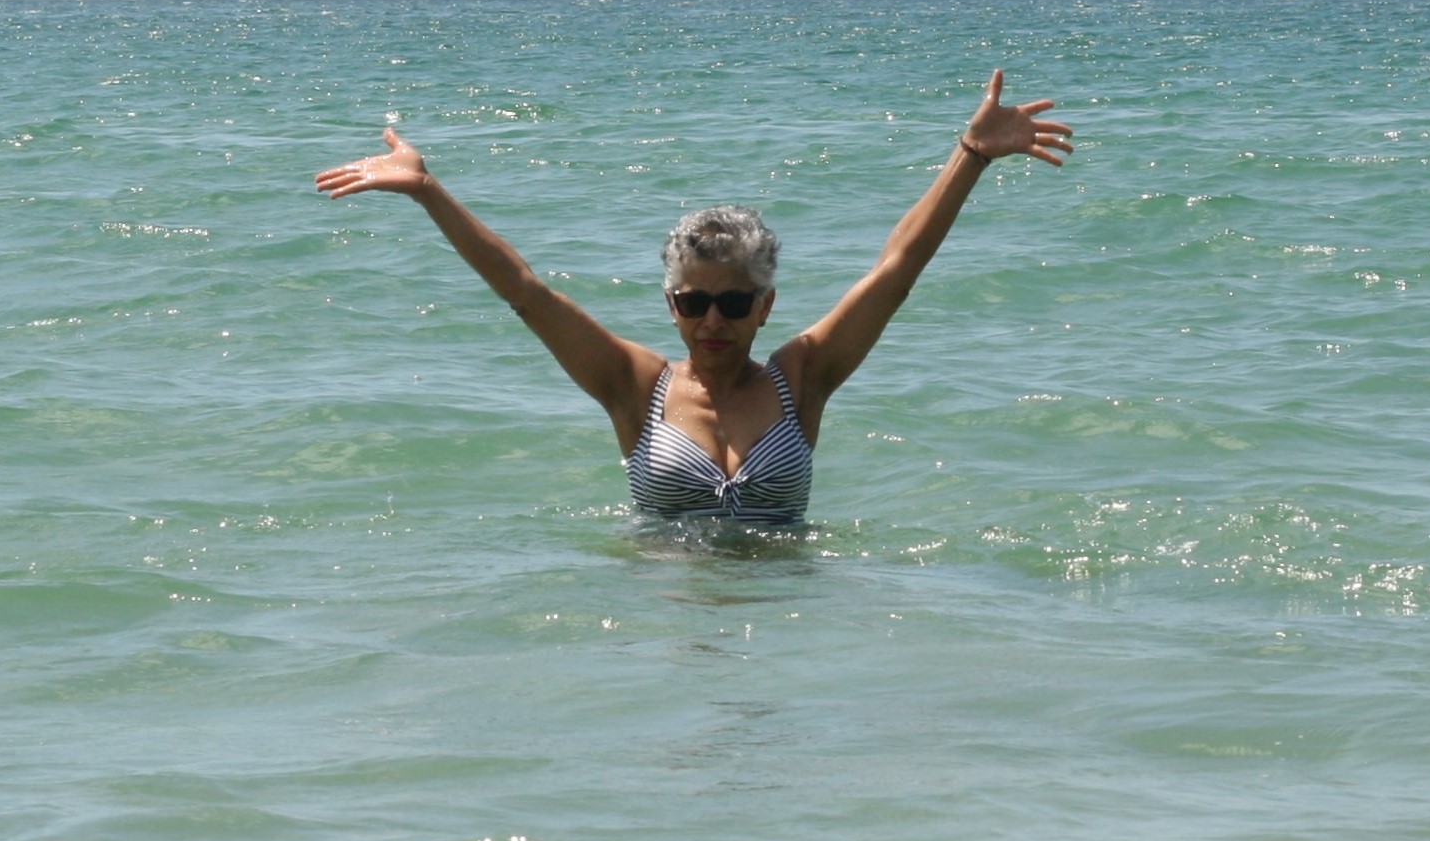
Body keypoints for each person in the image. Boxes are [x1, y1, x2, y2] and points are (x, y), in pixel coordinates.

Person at [312, 68, 1072, 526]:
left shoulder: (801, 378)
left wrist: (970, 157)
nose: (713, 321)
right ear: (670, 304)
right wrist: (428, 191)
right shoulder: (633, 385)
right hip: (663, 634)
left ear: (764, 307)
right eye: (693, 302)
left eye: (734, 304)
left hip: (786, 621)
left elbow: (894, 274)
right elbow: (525, 291)